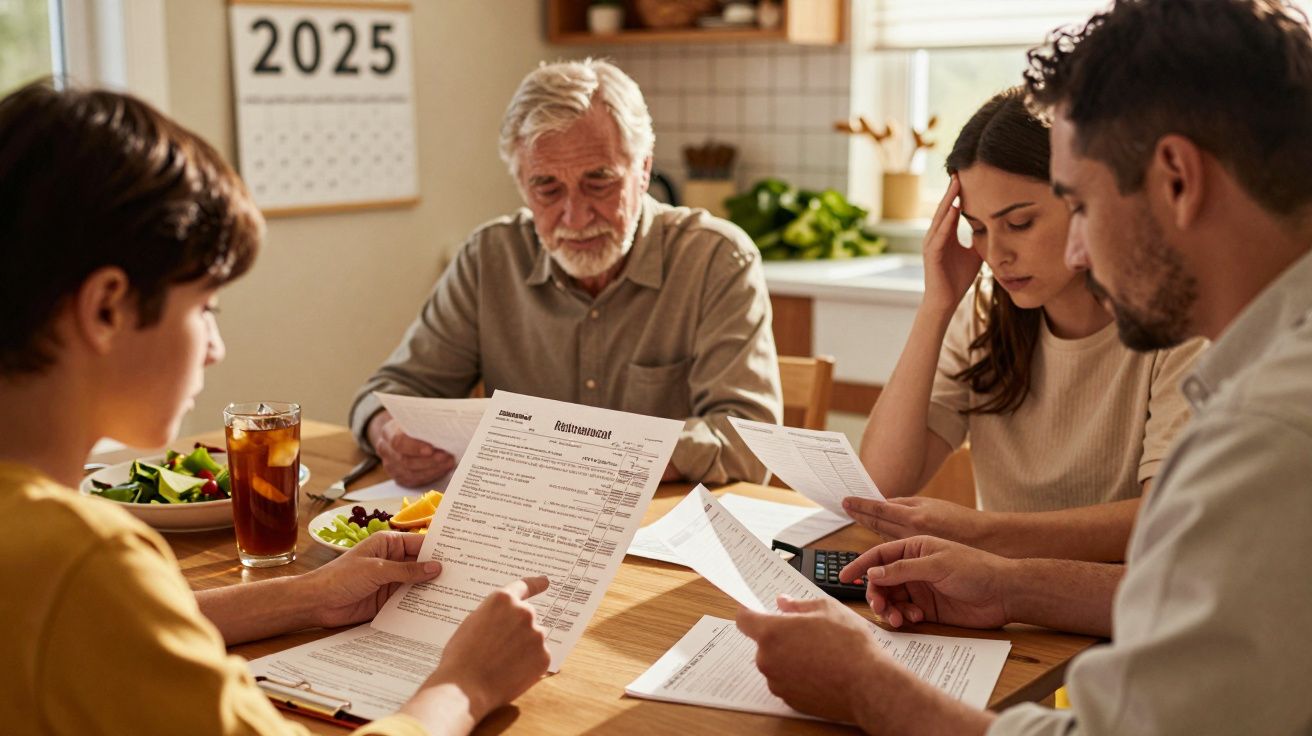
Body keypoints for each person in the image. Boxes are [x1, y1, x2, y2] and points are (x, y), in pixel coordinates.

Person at [739, 1, 1312, 733]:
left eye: (1078, 203)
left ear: (1176, 177)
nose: (1078, 250)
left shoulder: (1268, 431)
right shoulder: (1270, 367)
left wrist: (865, 688)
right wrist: (1010, 586)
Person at [0, 81, 552, 736]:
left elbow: (100, 632)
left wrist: (309, 596)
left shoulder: (45, 558)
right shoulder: (84, 560)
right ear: (106, 308)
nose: (215, 347)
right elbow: (95, 607)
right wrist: (467, 683)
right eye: (204, 307)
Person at [350, 59, 781, 488]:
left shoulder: (716, 259)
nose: (575, 217)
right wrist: (388, 432)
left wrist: (587, 458)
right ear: (521, 184)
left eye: (599, 181)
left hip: (664, 538)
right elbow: (388, 391)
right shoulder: (490, 257)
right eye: (548, 188)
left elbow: (749, 443)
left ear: (644, 170)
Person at [850, 88, 1204, 562]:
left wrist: (981, 532)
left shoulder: (1177, 326)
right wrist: (937, 305)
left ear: (1084, 204)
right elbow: (879, 485)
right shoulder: (981, 316)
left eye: (1018, 223)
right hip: (1002, 610)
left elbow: (1162, 520)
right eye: (977, 228)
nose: (996, 255)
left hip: (1122, 611)